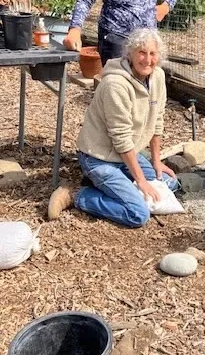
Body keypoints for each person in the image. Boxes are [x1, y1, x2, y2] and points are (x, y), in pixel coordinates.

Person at [48, 28, 178, 227]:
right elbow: (121, 138)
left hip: (126, 156)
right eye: (141, 52)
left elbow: (157, 119)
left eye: (153, 53)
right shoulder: (115, 85)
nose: (147, 59)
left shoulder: (157, 76)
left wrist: (156, 161)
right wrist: (141, 181)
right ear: (130, 54)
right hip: (100, 158)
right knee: (137, 214)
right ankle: (76, 195)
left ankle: (112, 186)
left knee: (169, 183)